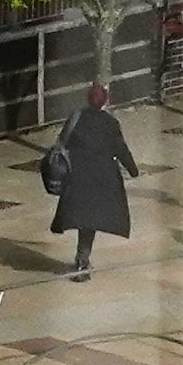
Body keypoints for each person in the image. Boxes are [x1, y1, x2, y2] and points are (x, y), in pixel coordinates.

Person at [43, 86, 137, 279]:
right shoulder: (110, 123)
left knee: (83, 219)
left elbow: (63, 142)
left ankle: (82, 259)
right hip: (101, 180)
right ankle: (82, 261)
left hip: (77, 177)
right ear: (106, 101)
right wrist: (133, 170)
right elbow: (121, 149)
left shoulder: (76, 118)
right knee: (90, 221)